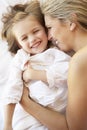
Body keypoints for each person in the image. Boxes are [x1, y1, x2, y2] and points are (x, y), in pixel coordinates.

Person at [1, 1, 71, 130]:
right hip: (31, 119)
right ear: (18, 44)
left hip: (59, 116)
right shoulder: (21, 59)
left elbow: (68, 74)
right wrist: (7, 125)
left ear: (45, 29)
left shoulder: (57, 51)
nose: (32, 39)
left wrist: (33, 74)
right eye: (24, 38)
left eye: (36, 31)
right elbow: (12, 89)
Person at [20, 0, 87, 130]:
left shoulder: (79, 62)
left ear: (70, 21)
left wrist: (25, 102)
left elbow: (75, 128)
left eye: (50, 27)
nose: (49, 36)